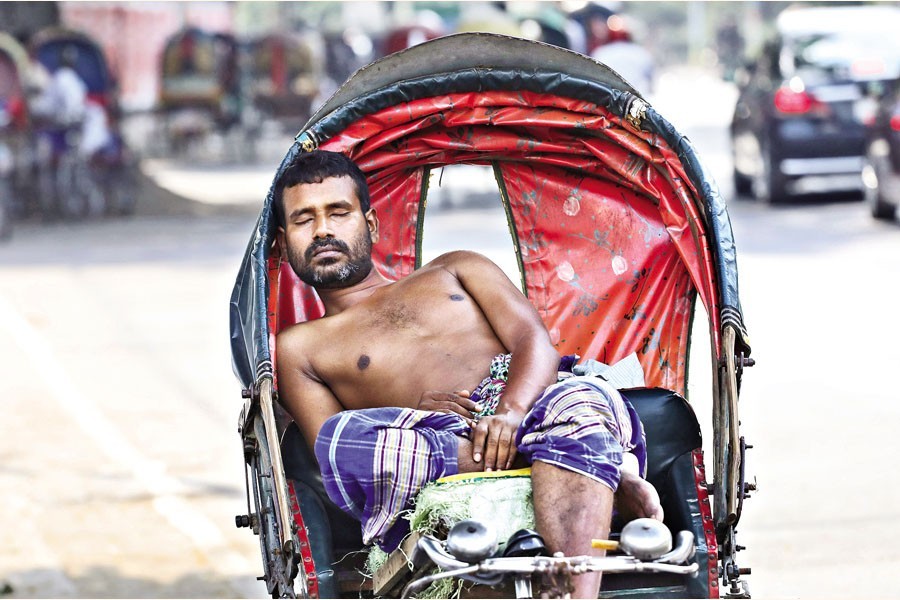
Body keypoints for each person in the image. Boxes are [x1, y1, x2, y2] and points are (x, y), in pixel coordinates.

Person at [274, 150, 663, 598]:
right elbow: (333, 453)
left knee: (578, 398)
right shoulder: (299, 346)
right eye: (305, 219)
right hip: (439, 441)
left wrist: (512, 414)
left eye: (338, 212)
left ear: (371, 224)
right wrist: (405, 414)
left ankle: (573, 589)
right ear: (286, 243)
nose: (323, 229)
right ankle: (596, 466)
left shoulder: (456, 267)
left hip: (534, 403)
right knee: (342, 442)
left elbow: (533, 341)